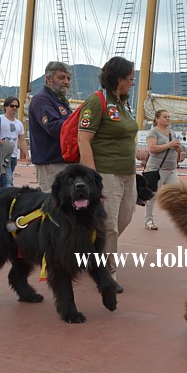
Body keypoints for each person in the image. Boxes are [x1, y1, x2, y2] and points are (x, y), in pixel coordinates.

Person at [78, 57, 138, 293]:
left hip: (128, 172)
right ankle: (107, 276)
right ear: (119, 78)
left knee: (125, 217)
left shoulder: (124, 103)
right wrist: (92, 178)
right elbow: (83, 139)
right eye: (131, 78)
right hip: (106, 173)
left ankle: (92, 253)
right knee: (110, 226)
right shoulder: (96, 101)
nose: (133, 82)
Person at [28, 61, 73, 192]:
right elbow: (53, 126)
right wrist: (78, 124)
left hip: (62, 162)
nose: (66, 82)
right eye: (61, 77)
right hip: (51, 163)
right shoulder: (42, 99)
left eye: (68, 78)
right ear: (48, 79)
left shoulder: (59, 102)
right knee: (53, 205)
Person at [143, 109, 183, 230]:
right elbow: (152, 148)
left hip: (171, 169)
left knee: (179, 194)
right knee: (152, 196)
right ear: (157, 119)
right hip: (157, 169)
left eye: (169, 117)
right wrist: (169, 145)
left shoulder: (171, 132)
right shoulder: (153, 132)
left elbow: (179, 150)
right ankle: (149, 220)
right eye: (165, 117)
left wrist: (178, 147)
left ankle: (181, 220)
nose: (168, 119)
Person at [0, 97, 30, 189]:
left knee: (3, 181)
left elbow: (22, 140)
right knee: (8, 181)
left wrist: (26, 154)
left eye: (16, 106)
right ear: (6, 106)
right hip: (2, 155)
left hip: (13, 155)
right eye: (12, 105)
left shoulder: (19, 124)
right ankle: (8, 198)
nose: (14, 108)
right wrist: (3, 143)